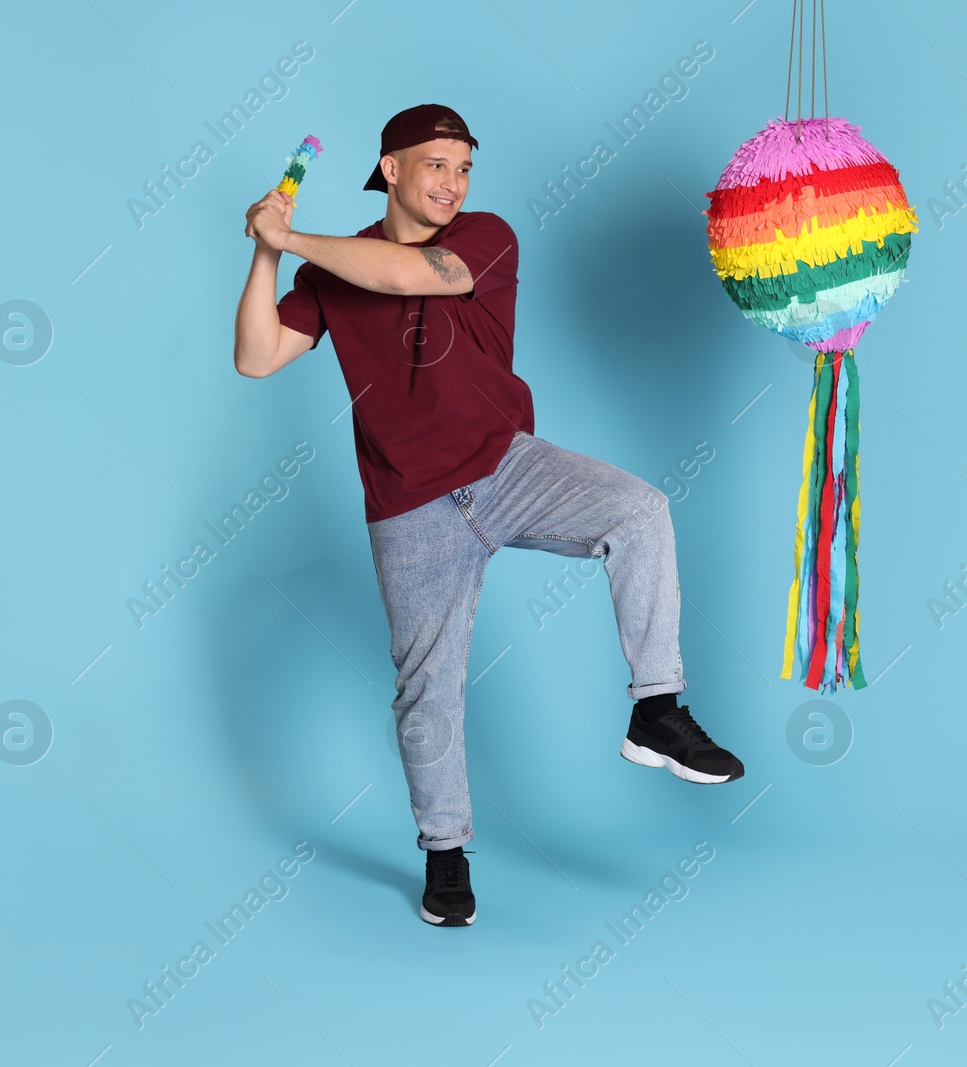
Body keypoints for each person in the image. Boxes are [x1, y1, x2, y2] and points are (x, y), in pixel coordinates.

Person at [234, 103, 744, 928]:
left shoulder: (486, 236)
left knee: (640, 511)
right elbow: (256, 356)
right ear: (390, 167)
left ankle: (657, 711)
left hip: (506, 467)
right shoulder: (333, 270)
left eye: (465, 167)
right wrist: (267, 252)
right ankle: (444, 857)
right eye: (436, 164)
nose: (453, 182)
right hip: (407, 506)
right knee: (426, 690)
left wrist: (294, 240)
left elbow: (416, 274)